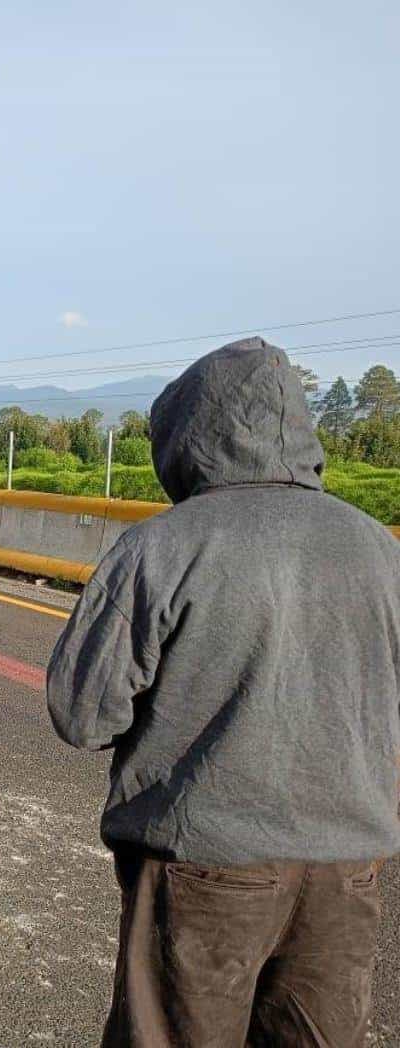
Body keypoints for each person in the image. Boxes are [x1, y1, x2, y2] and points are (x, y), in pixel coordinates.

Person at [47, 337, 400, 1047]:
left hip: (203, 868)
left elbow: (83, 713)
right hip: (347, 872)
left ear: (189, 436)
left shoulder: (163, 547)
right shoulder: (379, 548)